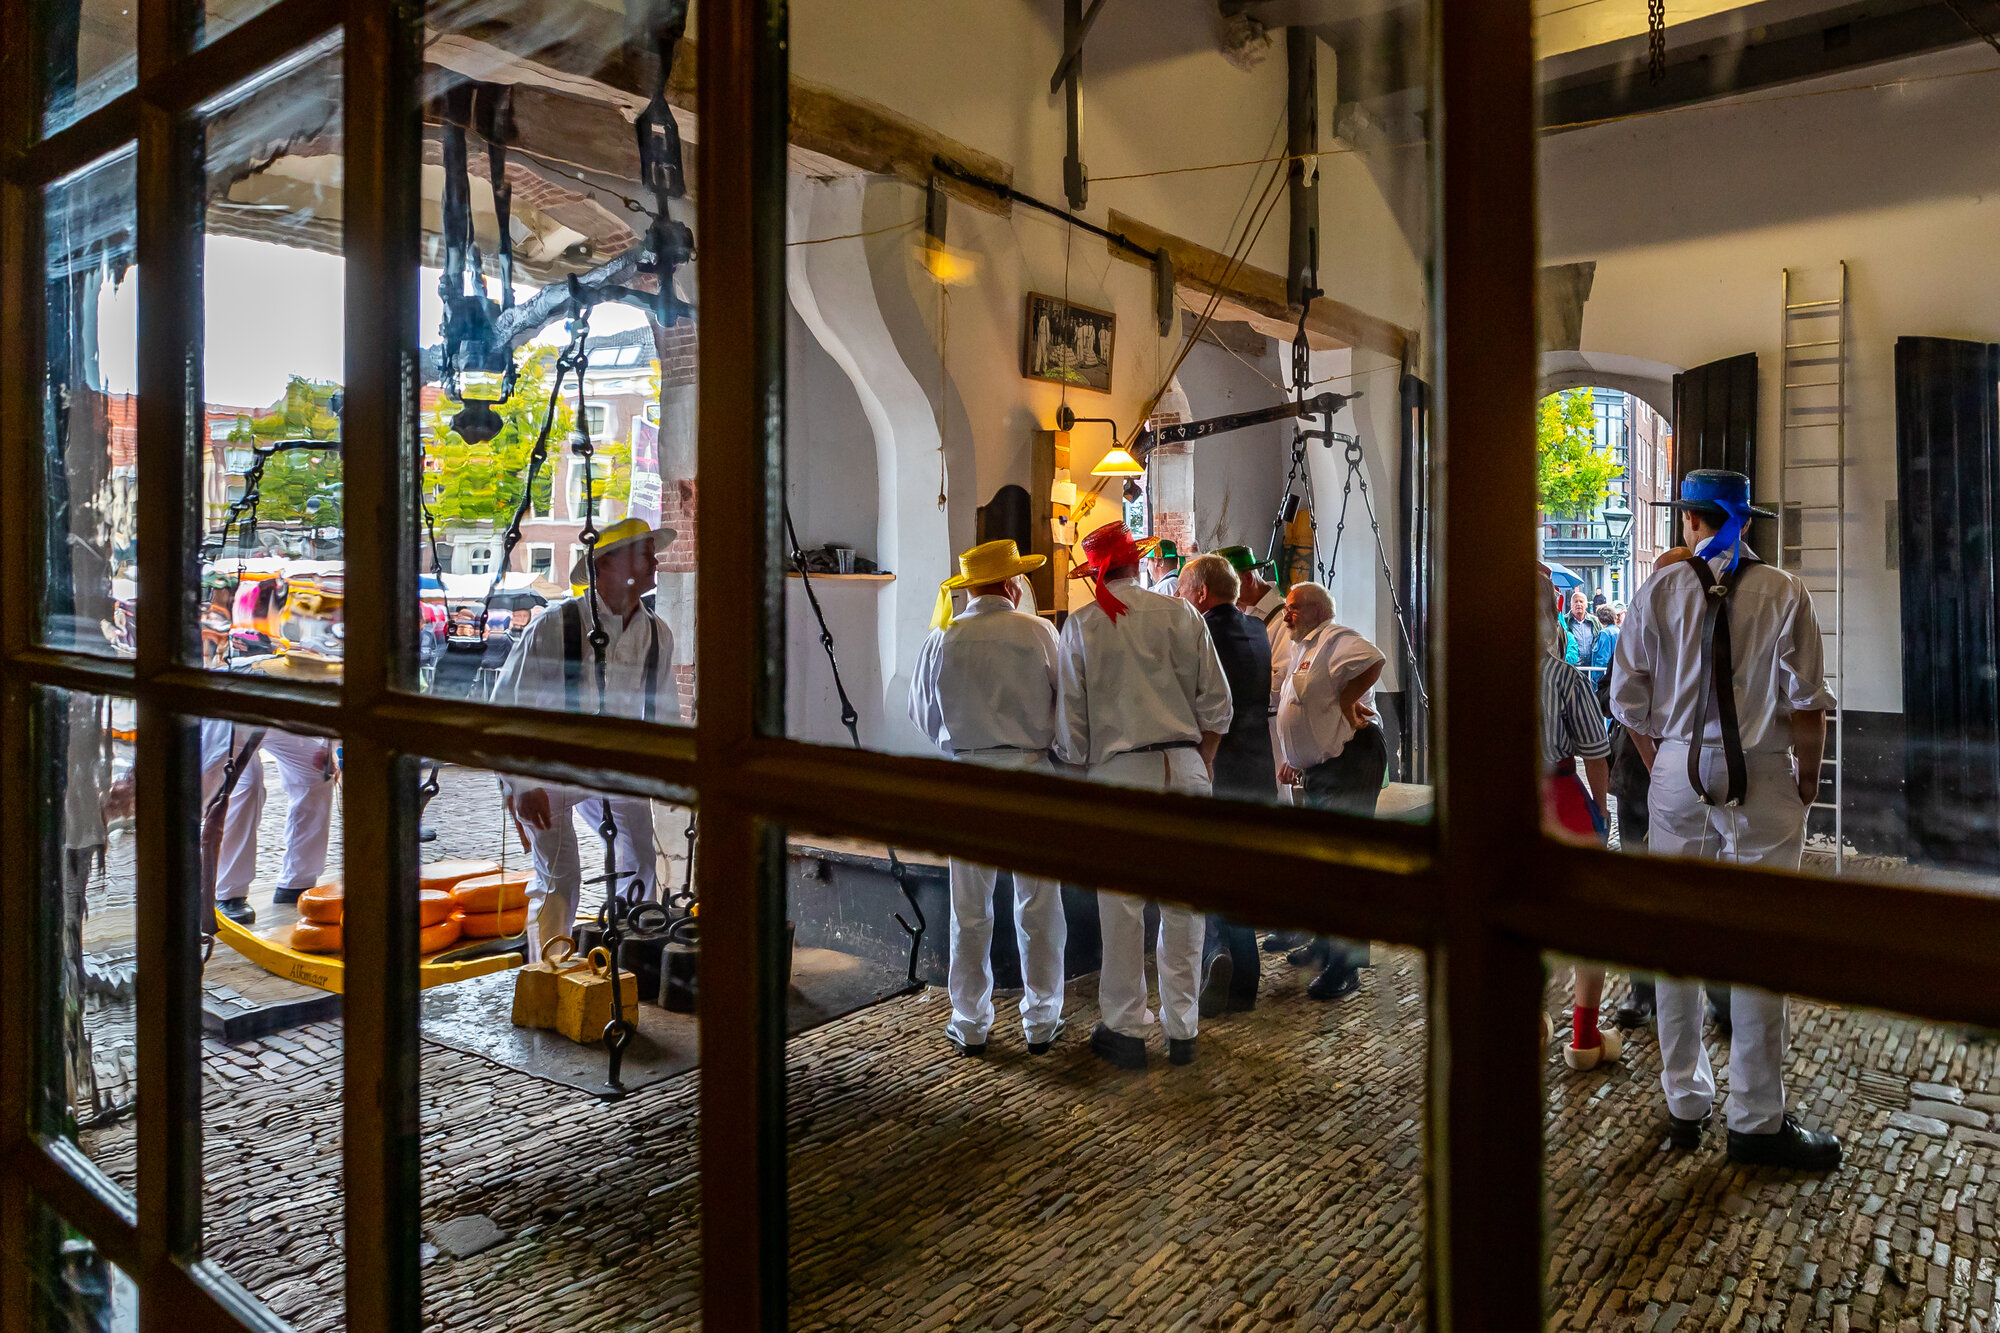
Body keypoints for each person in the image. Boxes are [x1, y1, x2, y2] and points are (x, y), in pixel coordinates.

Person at [1612, 469, 1840, 1170]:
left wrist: (1668, 765)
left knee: (1677, 940)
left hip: (1679, 771)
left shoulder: (1657, 589)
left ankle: (1685, 1103)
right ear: (1746, 522)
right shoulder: (1784, 589)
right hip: (1764, 770)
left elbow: (1627, 700)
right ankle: (1755, 1118)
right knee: (1759, 942)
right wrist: (1805, 783)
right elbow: (1808, 703)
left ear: (1691, 521)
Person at [1056, 522, 1232, 1069]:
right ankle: (1184, 1031)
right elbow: (1218, 705)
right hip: (1184, 767)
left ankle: (1127, 1030)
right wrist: (1197, 760)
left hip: (1119, 774)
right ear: (1138, 563)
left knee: (1123, 910)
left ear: (1100, 573)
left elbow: (1072, 731)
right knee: (1184, 906)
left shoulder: (1084, 624)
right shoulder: (1182, 613)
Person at [909, 539, 1067, 1058]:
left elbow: (925, 718)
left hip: (970, 780)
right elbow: (1065, 707)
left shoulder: (943, 639)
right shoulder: (1039, 632)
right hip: (1029, 776)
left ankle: (970, 1020)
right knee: (1039, 905)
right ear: (1009, 584)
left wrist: (964, 742)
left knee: (969, 909)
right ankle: (1042, 1019)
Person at [492, 518, 677, 959]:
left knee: (641, 863)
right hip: (549, 769)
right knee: (560, 877)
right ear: (605, 565)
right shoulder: (553, 627)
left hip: (615, 765)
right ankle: (550, 974)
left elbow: (665, 713)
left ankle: (632, 956)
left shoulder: (657, 633)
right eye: (643, 552)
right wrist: (521, 783)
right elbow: (508, 707)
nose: (655, 561)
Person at [1274, 581, 1386, 1000]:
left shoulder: (1335, 638)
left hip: (1352, 762)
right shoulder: (1302, 647)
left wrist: (1347, 701)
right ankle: (1323, 946)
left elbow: (1375, 660)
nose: (1287, 615)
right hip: (1323, 767)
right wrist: (1293, 756)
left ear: (1318, 610)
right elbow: (1304, 709)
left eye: (1293, 608)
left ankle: (1346, 968)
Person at [1176, 552, 1273, 1016]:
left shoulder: (1202, 630)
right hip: (1258, 766)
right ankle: (1245, 984)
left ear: (1200, 593)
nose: (1178, 598)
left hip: (1222, 766)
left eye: (1180, 589)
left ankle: (1218, 960)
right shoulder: (1256, 628)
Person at [1536, 576, 1622, 1070]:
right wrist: (1601, 812)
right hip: (1561, 801)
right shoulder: (1565, 677)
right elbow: (1595, 753)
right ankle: (1585, 1038)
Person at [1566, 587, 1598, 664]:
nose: (1578, 604)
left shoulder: (1594, 621)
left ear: (1586, 605)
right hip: (1572, 667)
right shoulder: (1564, 621)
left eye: (1581, 601)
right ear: (1571, 605)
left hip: (1591, 667)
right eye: (1576, 601)